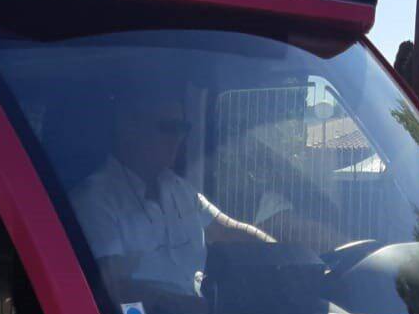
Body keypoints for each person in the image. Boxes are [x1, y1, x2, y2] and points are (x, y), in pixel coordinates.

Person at [70, 105, 274, 303]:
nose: (177, 138)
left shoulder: (180, 189)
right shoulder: (94, 199)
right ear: (128, 129)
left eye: (182, 128)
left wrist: (280, 253)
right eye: (168, 128)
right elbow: (112, 288)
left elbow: (227, 230)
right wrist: (180, 306)